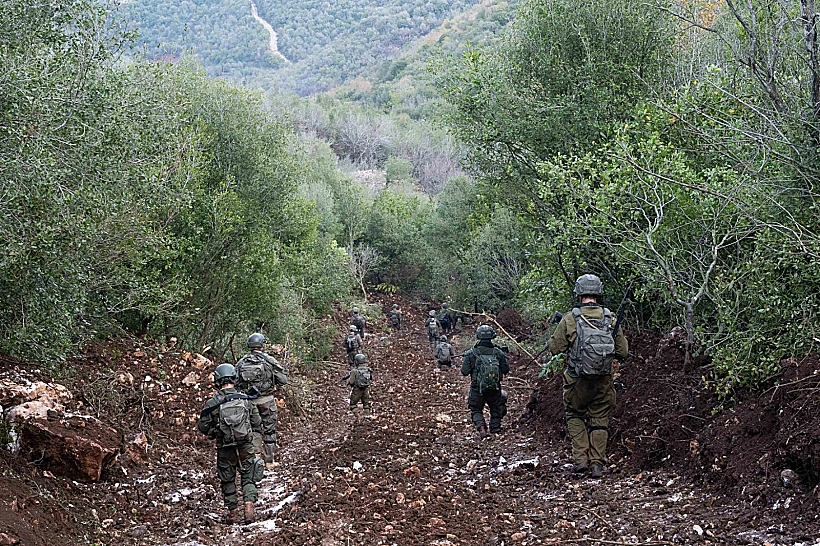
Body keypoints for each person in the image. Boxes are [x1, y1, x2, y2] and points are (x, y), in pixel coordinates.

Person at [548, 274, 628, 479]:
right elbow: (623, 352)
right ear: (598, 292)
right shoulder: (609, 318)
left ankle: (581, 460)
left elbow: (555, 348)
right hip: (603, 380)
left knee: (574, 415)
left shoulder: (570, 318)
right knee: (600, 420)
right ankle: (597, 465)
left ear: (579, 292)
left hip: (577, 381)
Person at [198, 363, 264, 524]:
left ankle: (232, 513)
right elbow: (257, 422)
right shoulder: (245, 399)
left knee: (227, 480)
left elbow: (203, 427)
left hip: (224, 449)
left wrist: (216, 431)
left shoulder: (212, 403)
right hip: (245, 446)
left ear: (217, 380)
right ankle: (249, 508)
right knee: (248, 477)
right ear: (235, 378)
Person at [235, 333, 287, 464]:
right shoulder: (269, 361)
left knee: (254, 429)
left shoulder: (242, 362)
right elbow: (283, 380)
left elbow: (235, 381)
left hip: (249, 402)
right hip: (267, 401)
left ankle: (256, 460)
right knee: (269, 430)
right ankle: (269, 461)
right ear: (262, 345)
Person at [461, 325, 509, 438]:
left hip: (477, 388)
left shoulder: (471, 353)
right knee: (496, 407)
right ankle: (495, 429)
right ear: (492, 336)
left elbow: (464, 372)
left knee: (476, 408)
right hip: (494, 388)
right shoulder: (498, 353)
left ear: (478, 336)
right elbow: (506, 370)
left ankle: (481, 427)